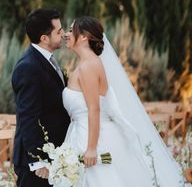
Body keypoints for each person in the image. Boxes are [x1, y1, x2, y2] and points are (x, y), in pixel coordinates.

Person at [62, 16, 185, 186]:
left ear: (84, 36)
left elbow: (94, 109)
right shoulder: (86, 63)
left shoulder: (88, 66)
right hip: (81, 133)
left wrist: (91, 148)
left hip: (91, 138)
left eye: (70, 30)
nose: (66, 34)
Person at [12, 8, 70, 187]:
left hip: (54, 154)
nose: (64, 34)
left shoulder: (47, 60)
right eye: (59, 31)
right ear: (44, 38)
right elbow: (28, 117)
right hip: (36, 164)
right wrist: (38, 160)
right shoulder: (28, 67)